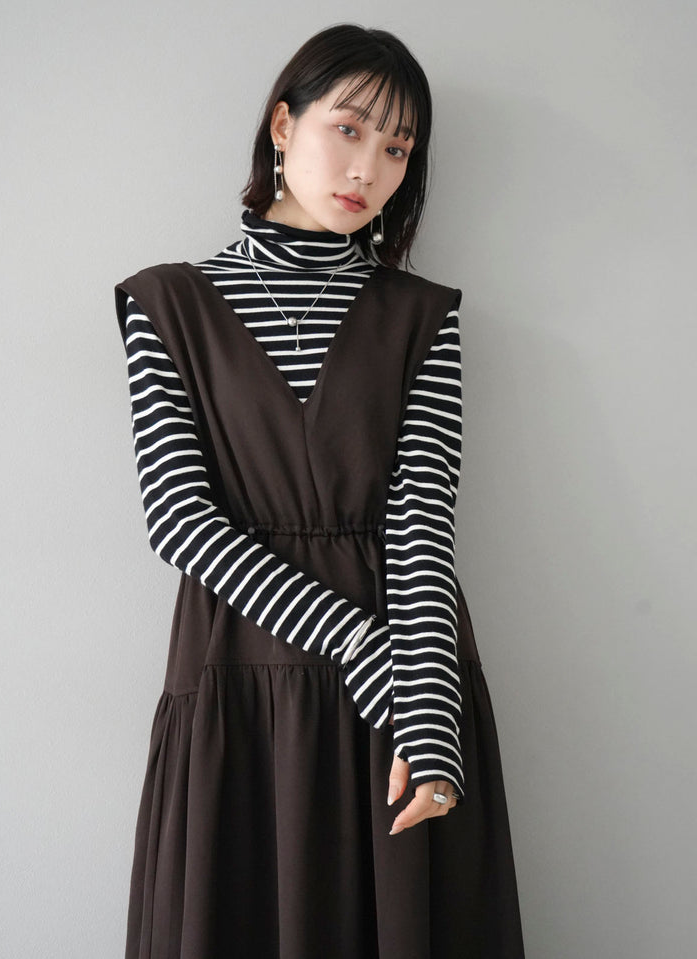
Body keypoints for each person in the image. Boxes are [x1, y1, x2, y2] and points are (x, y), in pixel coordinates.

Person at [114, 23, 525, 959]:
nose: (369, 168)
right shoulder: (167, 305)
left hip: (407, 676)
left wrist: (427, 708)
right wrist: (355, 643)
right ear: (282, 125)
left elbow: (420, 523)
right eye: (349, 129)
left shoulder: (421, 316)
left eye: (398, 148)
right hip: (243, 676)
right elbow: (178, 518)